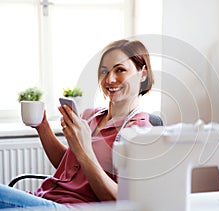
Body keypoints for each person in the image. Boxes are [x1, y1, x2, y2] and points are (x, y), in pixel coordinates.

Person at [0, 39, 154, 209]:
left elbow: (123, 202)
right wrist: (43, 127)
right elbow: (67, 167)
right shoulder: (90, 116)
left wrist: (84, 150)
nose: (109, 79)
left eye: (120, 70)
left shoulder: (139, 131)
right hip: (46, 198)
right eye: (104, 71)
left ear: (143, 74)